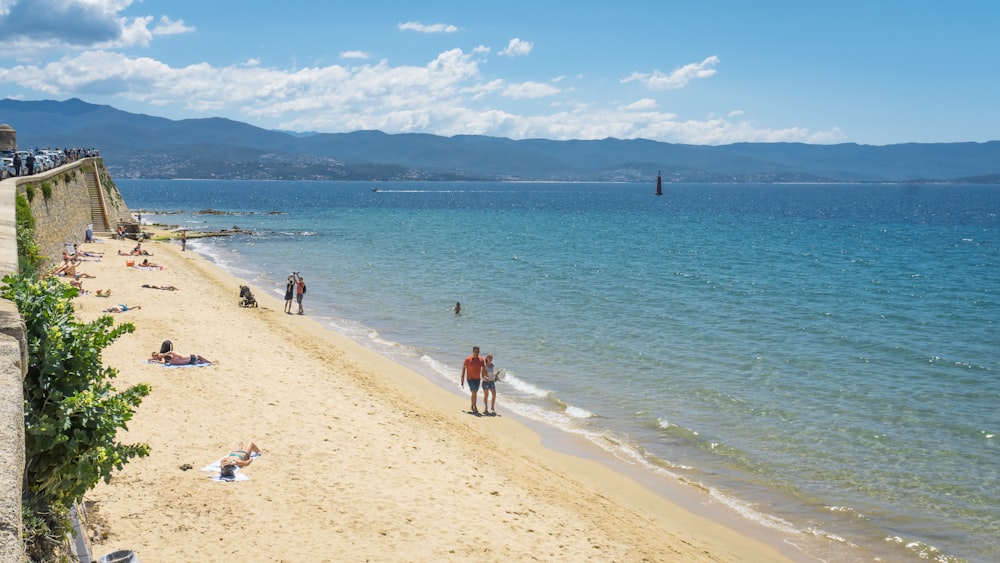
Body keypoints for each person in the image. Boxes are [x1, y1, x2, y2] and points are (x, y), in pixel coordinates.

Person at [460, 345, 486, 415]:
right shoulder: (468, 359)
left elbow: (483, 369)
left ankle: (472, 405)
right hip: (470, 379)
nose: (477, 353)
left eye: (478, 351)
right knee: (474, 392)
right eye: (475, 351)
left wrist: (484, 377)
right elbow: (464, 369)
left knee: (474, 393)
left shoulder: (481, 360)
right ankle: (475, 406)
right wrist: (462, 378)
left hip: (478, 379)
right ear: (473, 351)